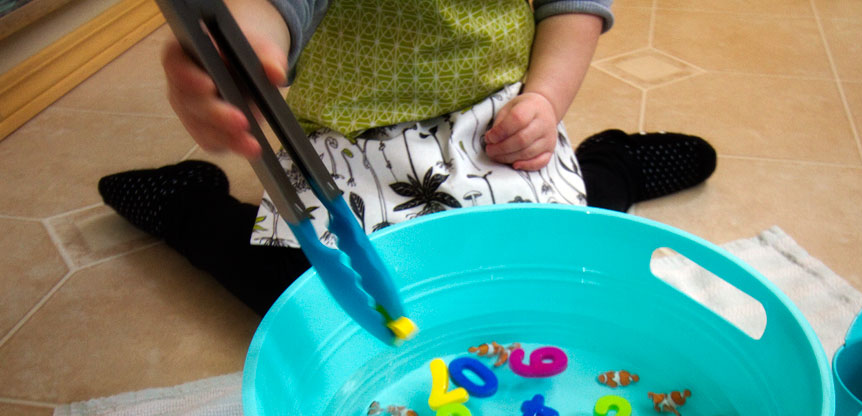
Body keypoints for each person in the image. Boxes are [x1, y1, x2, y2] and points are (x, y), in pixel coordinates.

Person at [99, 0, 716, 315]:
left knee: (559, 259)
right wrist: (239, 47)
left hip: (492, 127)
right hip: (349, 145)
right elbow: (269, 8)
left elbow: (573, 8)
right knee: (308, 303)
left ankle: (609, 167)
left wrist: (546, 100)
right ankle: (190, 208)